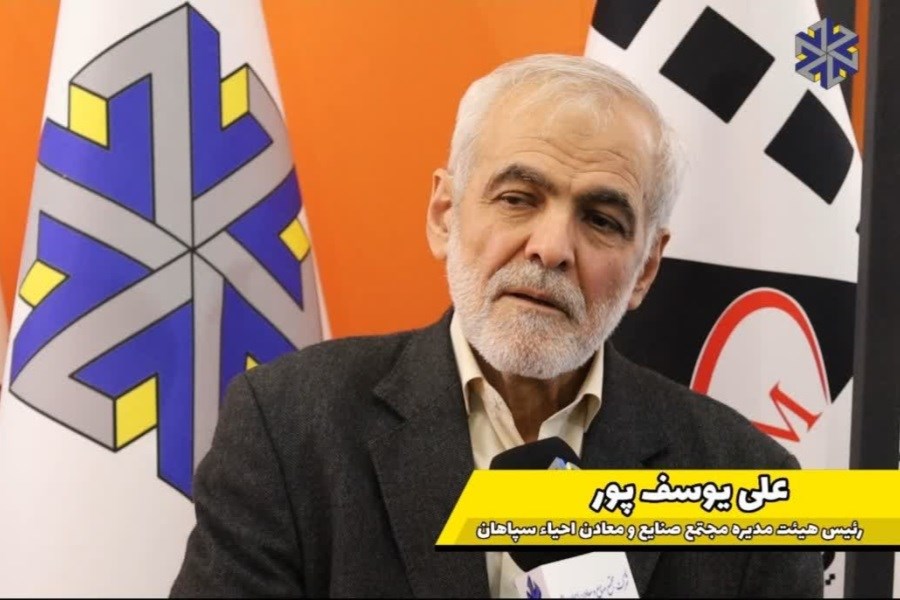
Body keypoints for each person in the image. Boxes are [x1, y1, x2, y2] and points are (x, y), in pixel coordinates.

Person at [171, 54, 823, 598]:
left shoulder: (748, 482)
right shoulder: (288, 427)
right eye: (518, 198)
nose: (551, 248)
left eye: (601, 220)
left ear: (645, 269)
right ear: (444, 214)